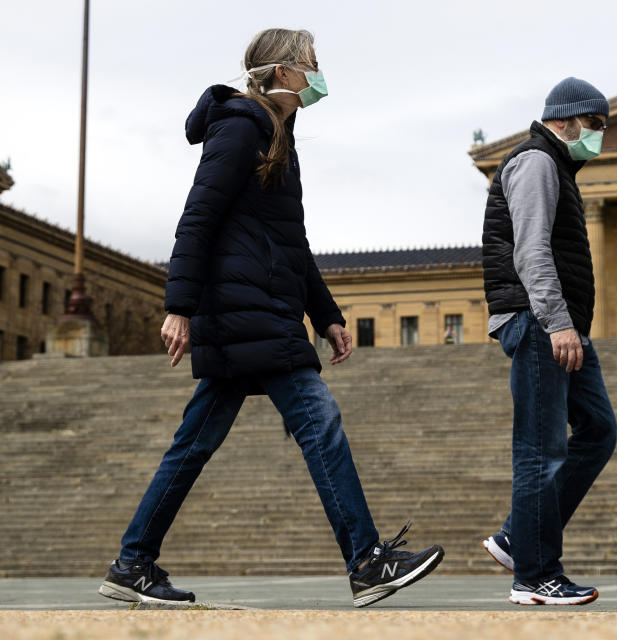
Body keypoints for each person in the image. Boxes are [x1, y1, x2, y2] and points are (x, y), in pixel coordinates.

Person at [98, 28, 443, 609]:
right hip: (246, 314)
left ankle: (133, 562)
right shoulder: (241, 126)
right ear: (284, 73)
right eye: (312, 63)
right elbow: (197, 215)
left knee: (193, 445)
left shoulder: (275, 134)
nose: (318, 73)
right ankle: (366, 561)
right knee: (320, 422)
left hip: (259, 313)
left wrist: (327, 314)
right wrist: (178, 307)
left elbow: (291, 244)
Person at [480, 77, 617, 605]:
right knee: (541, 448)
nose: (600, 136)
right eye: (596, 125)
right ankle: (535, 576)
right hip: (541, 322)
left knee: (598, 429)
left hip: (562, 325)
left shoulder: (558, 164)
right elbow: (531, 251)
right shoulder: (537, 161)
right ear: (567, 119)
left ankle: (520, 534)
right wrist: (558, 323)